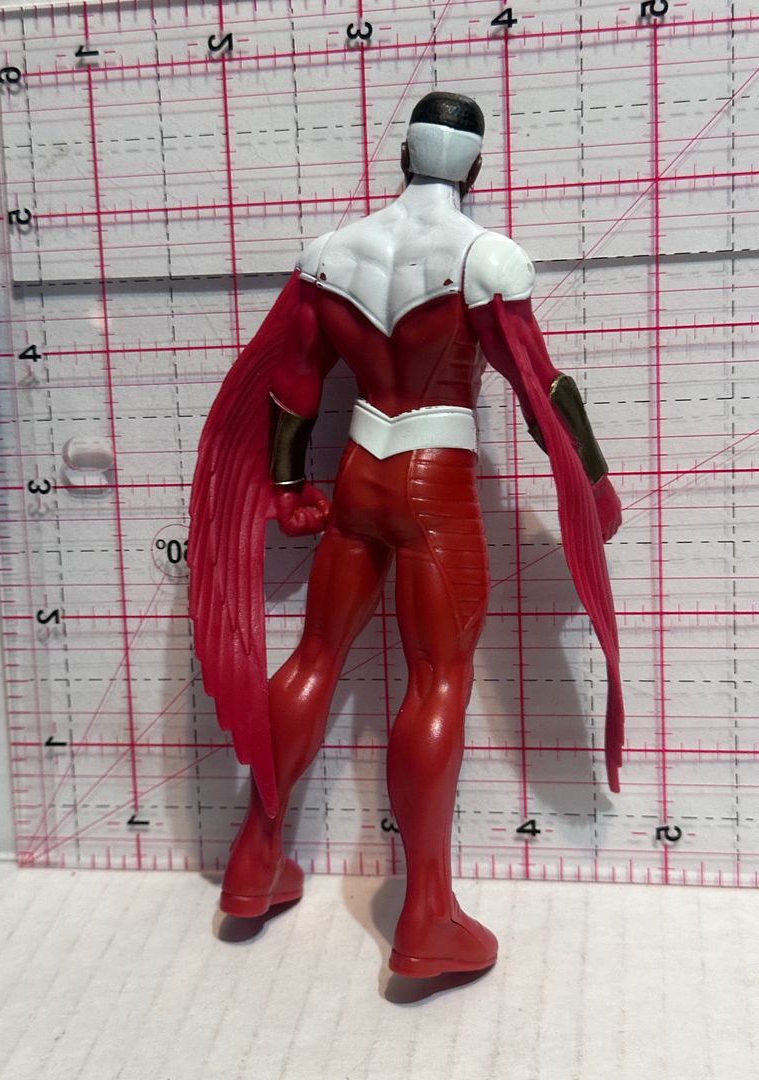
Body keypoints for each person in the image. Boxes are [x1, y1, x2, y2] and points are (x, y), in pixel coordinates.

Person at [188, 91, 623, 978]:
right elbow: (540, 386)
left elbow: (294, 377)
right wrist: (593, 484)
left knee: (315, 655)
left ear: (403, 157)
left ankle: (255, 860)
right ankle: (427, 916)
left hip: (358, 471)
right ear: (474, 166)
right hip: (436, 482)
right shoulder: (483, 258)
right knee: (437, 679)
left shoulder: (329, 255)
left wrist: (286, 482)